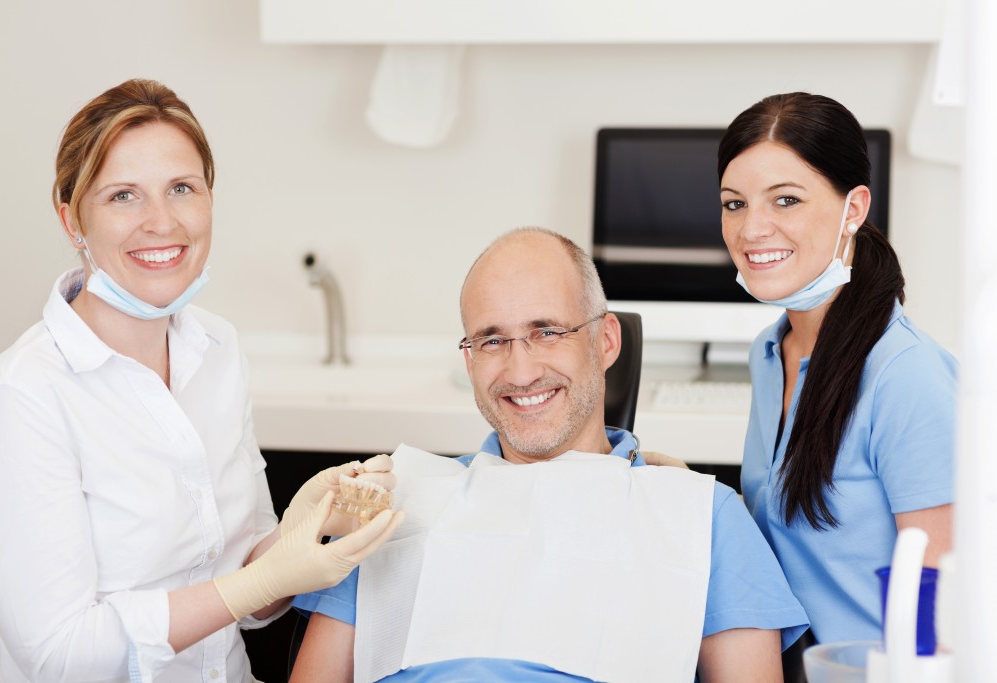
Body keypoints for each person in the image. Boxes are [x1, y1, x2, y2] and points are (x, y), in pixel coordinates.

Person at [0, 79, 403, 682]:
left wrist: (301, 531)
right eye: (123, 196)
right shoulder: (24, 395)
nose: (161, 221)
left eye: (182, 188)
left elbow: (252, 599)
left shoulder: (217, 348)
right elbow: (58, 655)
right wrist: (260, 578)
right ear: (72, 219)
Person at [289, 227, 808, 683]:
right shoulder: (398, 503)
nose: (519, 372)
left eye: (547, 332)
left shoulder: (702, 515)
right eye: (492, 341)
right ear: (468, 360)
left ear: (606, 342)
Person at [715, 92, 957, 647]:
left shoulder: (906, 377)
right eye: (735, 204)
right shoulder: (769, 354)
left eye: (786, 200)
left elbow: (938, 619)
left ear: (853, 209)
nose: (752, 230)